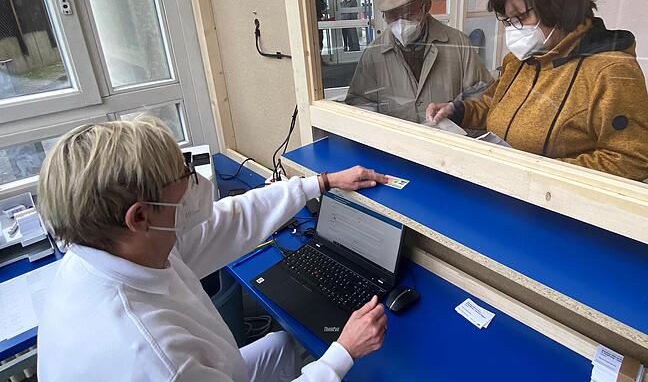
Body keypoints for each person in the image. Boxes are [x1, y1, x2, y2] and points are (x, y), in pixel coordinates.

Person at [36, 118, 390, 381]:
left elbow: (227, 222)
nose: (195, 182)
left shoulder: (115, 246)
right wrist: (342, 354)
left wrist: (320, 183)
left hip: (219, 370)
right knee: (325, 356)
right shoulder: (154, 357)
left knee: (287, 346)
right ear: (140, 216)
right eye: (182, 176)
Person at [427, 0, 648, 181]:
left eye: (521, 17)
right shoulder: (518, 61)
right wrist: (457, 111)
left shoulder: (610, 71)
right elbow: (492, 106)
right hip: (507, 186)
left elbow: (631, 160)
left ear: (557, 8)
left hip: (554, 201)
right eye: (507, 20)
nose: (513, 29)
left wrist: (541, 172)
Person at [345, 0, 492, 123]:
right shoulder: (374, 52)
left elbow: (484, 96)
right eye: (392, 16)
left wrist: (455, 109)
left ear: (427, 7)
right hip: (393, 142)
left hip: (445, 141)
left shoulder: (458, 44)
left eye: (408, 14)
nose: (400, 23)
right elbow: (358, 101)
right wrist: (380, 125)